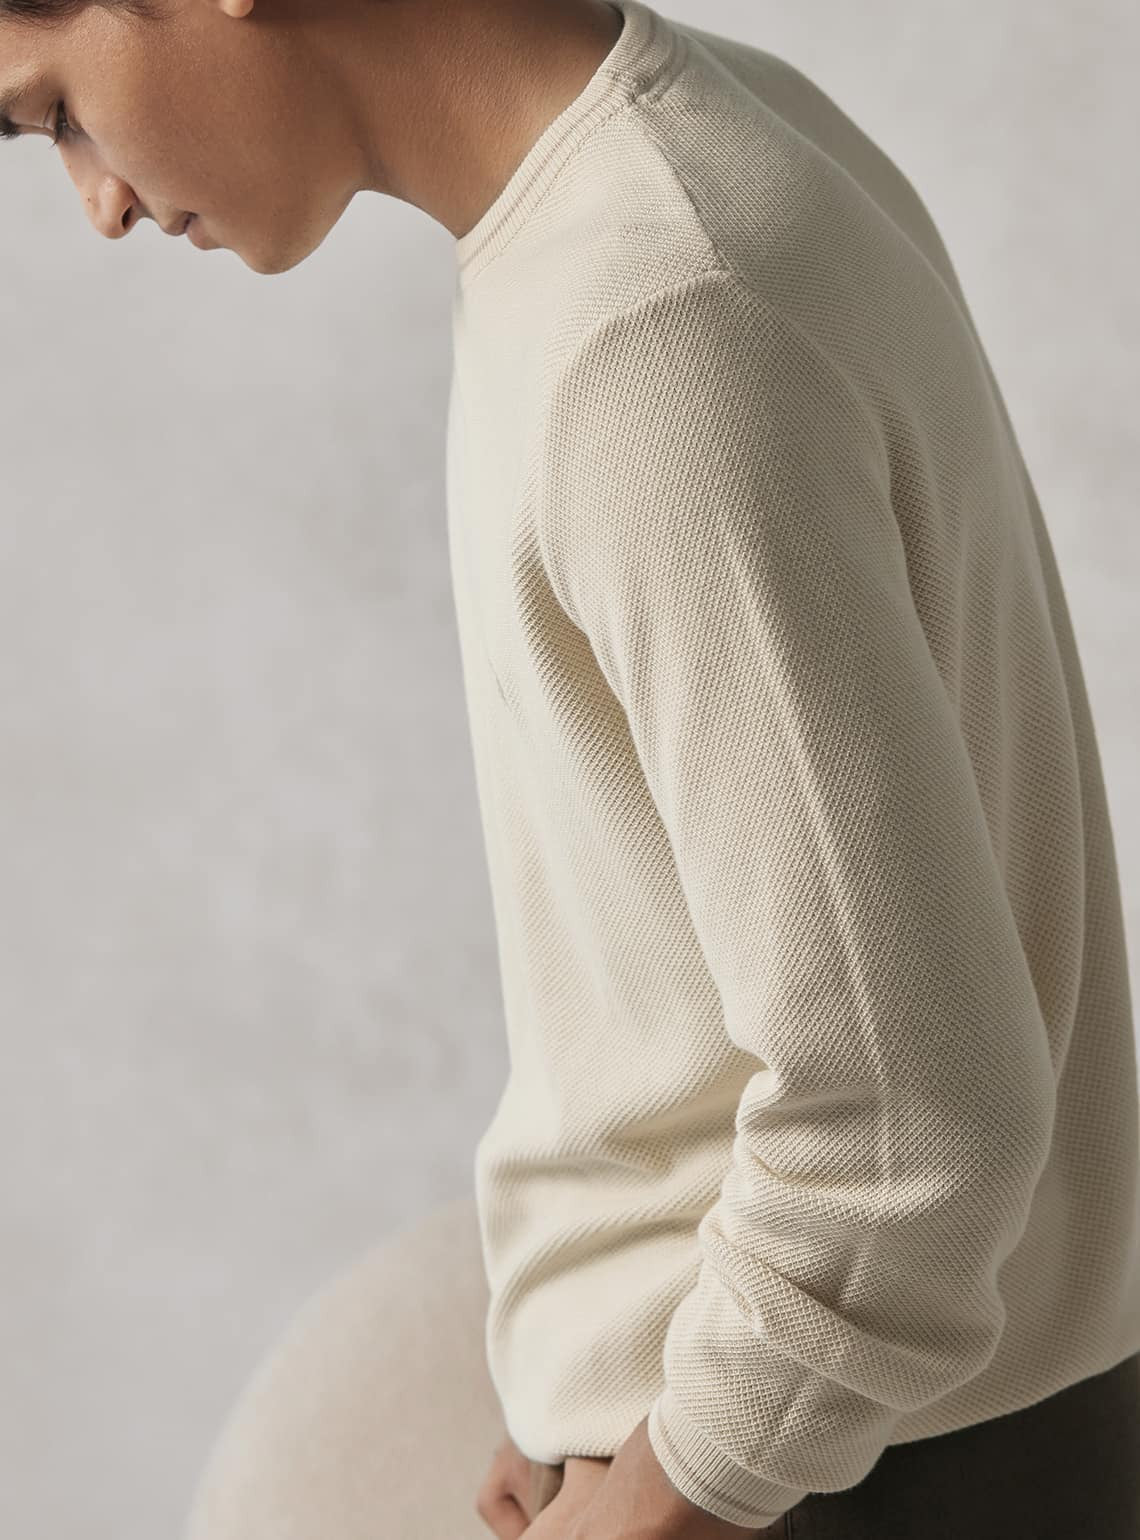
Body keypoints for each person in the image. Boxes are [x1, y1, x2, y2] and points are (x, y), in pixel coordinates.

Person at [6, 3, 1136, 1537]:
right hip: (881, 1434)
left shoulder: (651, 315)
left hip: (856, 1476)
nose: (99, 201)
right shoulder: (717, 146)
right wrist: (589, 1358)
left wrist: (674, 1481)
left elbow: (909, 1119)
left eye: (56, 109)